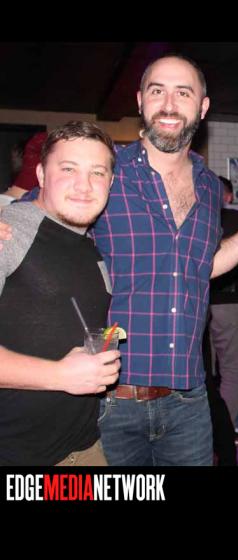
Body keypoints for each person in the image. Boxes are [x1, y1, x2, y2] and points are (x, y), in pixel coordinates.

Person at [0, 54, 238, 466]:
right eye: (157, 91)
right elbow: (34, 209)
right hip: (110, 401)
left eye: (183, 93)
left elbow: (202, 266)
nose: (169, 104)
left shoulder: (208, 186)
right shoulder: (104, 171)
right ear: (139, 101)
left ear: (202, 107)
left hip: (189, 401)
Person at [0, 121, 121, 466]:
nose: (84, 186)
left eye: (97, 173)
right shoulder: (10, 232)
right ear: (41, 174)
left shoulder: (91, 247)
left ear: (111, 182)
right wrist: (59, 375)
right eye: (68, 169)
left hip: (84, 449)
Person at [208, 176, 238, 446]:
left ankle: (205, 432)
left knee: (203, 375)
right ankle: (225, 434)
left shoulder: (195, 217)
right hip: (229, 305)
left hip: (198, 305)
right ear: (227, 196)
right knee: (232, 372)